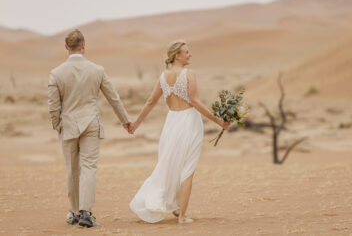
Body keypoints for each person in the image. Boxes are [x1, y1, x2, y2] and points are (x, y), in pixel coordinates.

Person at [129, 40, 230, 224]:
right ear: (177, 55)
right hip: (189, 122)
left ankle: (175, 207)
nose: (190, 55)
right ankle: (182, 216)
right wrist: (219, 121)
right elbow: (195, 102)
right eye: (187, 52)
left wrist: (136, 123)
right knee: (187, 169)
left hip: (171, 123)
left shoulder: (163, 76)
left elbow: (151, 101)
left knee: (170, 163)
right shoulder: (189, 74)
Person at [47, 29, 131, 228]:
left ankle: (74, 212)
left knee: (72, 169)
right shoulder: (97, 70)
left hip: (68, 125)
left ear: (66, 47)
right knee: (89, 168)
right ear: (84, 46)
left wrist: (57, 125)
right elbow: (113, 97)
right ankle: (86, 212)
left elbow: (53, 106)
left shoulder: (56, 73)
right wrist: (125, 120)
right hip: (91, 124)